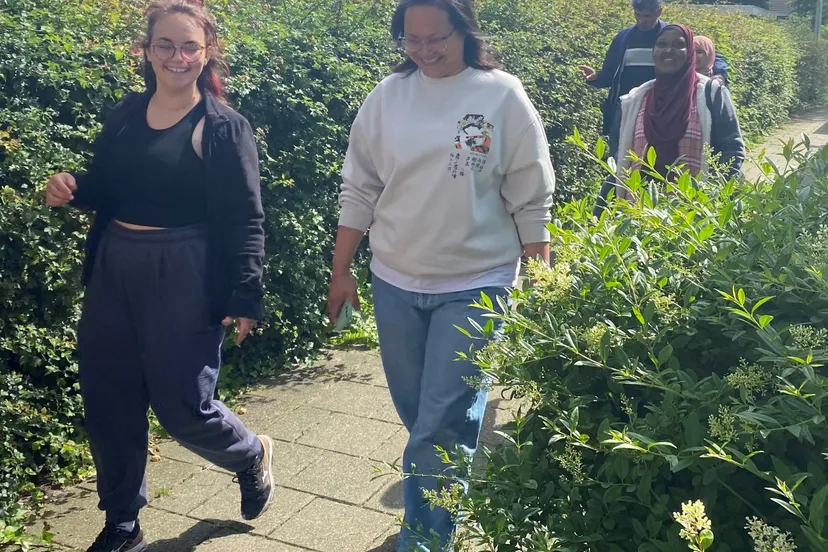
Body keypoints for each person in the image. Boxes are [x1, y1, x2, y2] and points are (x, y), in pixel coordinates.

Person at [43, 1, 273, 550]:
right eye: (165, 45)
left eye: (189, 46)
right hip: (115, 264)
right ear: (146, 51)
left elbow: (245, 216)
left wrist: (245, 293)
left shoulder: (222, 127)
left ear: (207, 52)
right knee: (109, 394)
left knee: (183, 405)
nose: (177, 56)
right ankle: (122, 520)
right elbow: (106, 187)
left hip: (185, 268)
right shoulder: (125, 114)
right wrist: (71, 188)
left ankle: (251, 454)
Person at [326, 0, 555, 549]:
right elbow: (360, 187)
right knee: (421, 416)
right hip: (396, 281)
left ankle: (425, 540)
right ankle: (444, 495)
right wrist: (341, 270)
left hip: (478, 281)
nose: (425, 51)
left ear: (464, 31)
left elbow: (531, 197)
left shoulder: (501, 95)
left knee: (441, 424)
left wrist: (544, 283)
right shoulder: (387, 98)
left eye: (438, 38)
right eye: (412, 40)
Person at [610, 24, 745, 198]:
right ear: (654, 51)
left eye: (677, 45)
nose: (668, 50)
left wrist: (713, 198)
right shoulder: (635, 100)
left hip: (696, 213)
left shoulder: (712, 94)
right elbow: (618, 154)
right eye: (661, 44)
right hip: (641, 213)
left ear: (689, 52)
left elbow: (732, 149)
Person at [578, 0, 669, 139]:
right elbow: (610, 73)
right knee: (620, 155)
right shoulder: (623, 38)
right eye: (637, 15)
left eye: (647, 16)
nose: (641, 20)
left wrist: (715, 71)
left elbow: (704, 54)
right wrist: (596, 77)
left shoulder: (670, 36)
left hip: (660, 109)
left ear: (659, 12)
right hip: (625, 109)